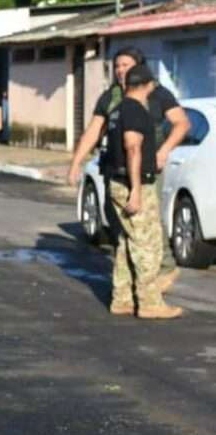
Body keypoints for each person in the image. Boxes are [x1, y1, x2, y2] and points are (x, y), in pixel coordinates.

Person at [68, 47, 190, 290]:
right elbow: (93, 131)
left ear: (139, 67)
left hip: (145, 169)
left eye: (126, 65)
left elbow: (182, 123)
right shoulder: (110, 97)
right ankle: (128, 285)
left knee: (147, 222)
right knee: (118, 225)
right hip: (114, 169)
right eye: (117, 66)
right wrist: (76, 163)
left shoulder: (156, 93)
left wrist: (163, 151)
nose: (121, 70)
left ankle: (160, 271)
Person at [98, 64, 183, 319]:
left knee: (128, 241)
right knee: (149, 245)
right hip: (133, 184)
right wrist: (136, 190)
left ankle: (122, 298)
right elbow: (132, 147)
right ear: (148, 85)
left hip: (119, 181)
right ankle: (150, 303)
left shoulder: (117, 110)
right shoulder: (135, 110)